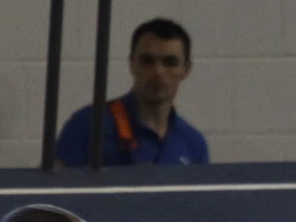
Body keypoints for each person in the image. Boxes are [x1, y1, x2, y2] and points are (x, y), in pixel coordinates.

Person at [55, 18, 209, 168]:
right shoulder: (88, 125)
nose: (158, 72)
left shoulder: (193, 144)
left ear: (186, 70)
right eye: (147, 61)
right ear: (132, 64)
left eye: (170, 62)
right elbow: (52, 189)